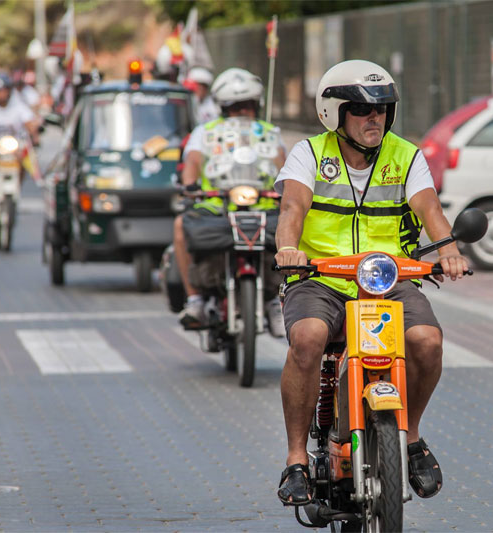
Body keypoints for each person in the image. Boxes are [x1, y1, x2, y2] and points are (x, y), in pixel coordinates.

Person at [273, 59, 469, 506]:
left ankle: (412, 437)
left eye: (382, 109)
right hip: (318, 277)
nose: (374, 118)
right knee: (308, 338)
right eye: (362, 110)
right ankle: (296, 459)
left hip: (388, 278)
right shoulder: (309, 153)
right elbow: (292, 211)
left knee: (427, 342)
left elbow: (431, 211)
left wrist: (448, 251)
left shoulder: (406, 155)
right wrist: (289, 249)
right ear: (335, 113)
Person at [173, 67, 287, 336]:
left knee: (296, 225)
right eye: (235, 106)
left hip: (263, 205)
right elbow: (193, 161)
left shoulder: (271, 132)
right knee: (180, 225)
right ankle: (196, 300)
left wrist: (287, 188)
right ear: (224, 108)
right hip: (216, 206)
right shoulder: (205, 132)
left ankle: (276, 299)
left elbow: (281, 164)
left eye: (247, 105)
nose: (242, 112)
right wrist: (190, 185)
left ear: (256, 105)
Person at [0, 72, 38, 197]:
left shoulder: (18, 107)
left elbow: (30, 124)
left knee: (24, 160)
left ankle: (16, 187)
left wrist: (35, 136)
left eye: (3, 91)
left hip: (15, 147)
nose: (1, 94)